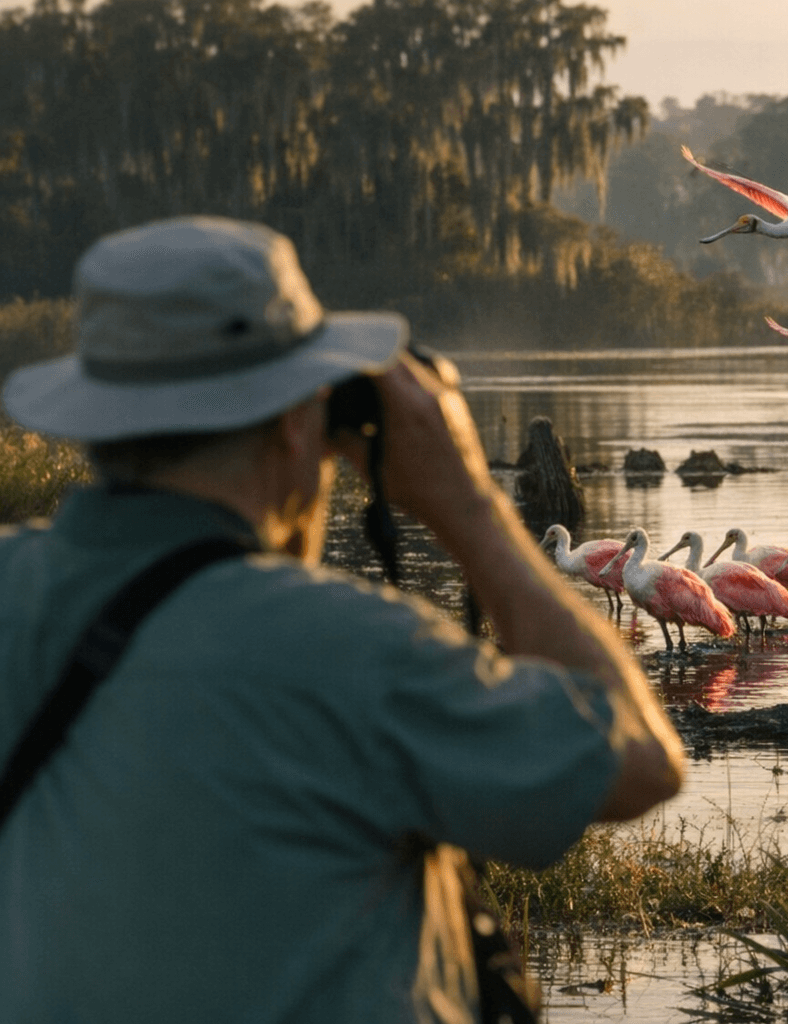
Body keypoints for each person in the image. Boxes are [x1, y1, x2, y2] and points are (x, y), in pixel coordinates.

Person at [0, 216, 686, 1022]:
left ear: (99, 419)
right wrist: (467, 506)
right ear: (300, 422)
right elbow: (638, 760)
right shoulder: (350, 649)